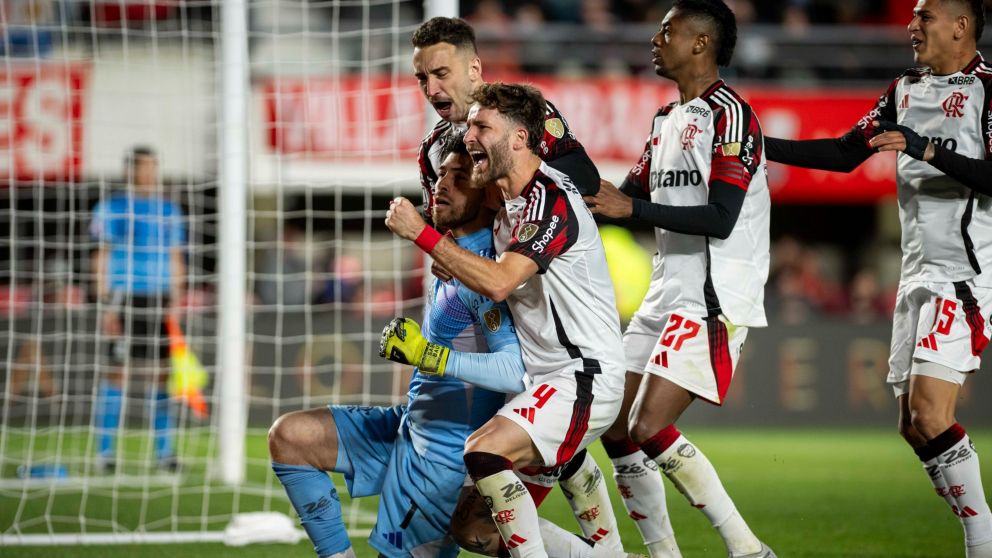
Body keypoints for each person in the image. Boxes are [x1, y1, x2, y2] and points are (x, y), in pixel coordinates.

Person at [764, 1, 992, 555]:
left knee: (931, 414)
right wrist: (759, 147)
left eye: (925, 16)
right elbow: (846, 153)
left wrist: (926, 148)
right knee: (912, 427)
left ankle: (982, 538)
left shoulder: (989, 91)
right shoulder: (903, 90)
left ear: (961, 25)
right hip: (916, 276)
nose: (911, 26)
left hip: (962, 277)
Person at [385, 82, 628, 558]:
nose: (468, 135)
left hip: (583, 375)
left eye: (481, 126)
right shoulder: (506, 204)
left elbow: (500, 282)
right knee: (474, 527)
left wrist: (424, 236)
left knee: (485, 451)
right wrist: (450, 251)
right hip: (543, 382)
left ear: (519, 138)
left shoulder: (548, 199)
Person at [268, 135, 526, 558]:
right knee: (290, 436)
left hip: (443, 460)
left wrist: (430, 355)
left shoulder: (483, 271)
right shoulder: (451, 257)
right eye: (442, 174)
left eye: (460, 177)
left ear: (489, 198)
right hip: (407, 426)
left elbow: (514, 370)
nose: (442, 184)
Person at [583, 2, 776, 557]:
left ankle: (747, 549)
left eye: (668, 30)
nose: (655, 38)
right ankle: (663, 553)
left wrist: (631, 211)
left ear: (701, 44)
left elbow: (721, 217)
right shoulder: (666, 121)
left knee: (646, 424)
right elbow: (624, 194)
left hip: (713, 298)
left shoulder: (733, 117)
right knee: (614, 425)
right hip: (666, 293)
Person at [90, 145, 186, 473]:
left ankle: (165, 453)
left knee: (162, 375)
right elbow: (101, 254)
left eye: (153, 167)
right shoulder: (113, 207)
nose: (149, 173)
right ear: (131, 171)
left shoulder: (169, 210)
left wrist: (176, 300)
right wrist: (105, 303)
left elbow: (176, 256)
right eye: (144, 167)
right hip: (125, 295)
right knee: (117, 372)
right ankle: (105, 453)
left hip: (160, 298)